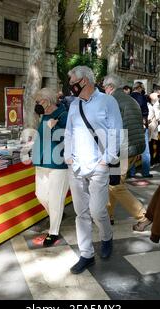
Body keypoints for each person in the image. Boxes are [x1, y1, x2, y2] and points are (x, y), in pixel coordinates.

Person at [64, 66, 123, 274]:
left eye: (73, 83)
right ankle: (86, 254)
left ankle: (107, 237)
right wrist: (68, 156)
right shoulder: (74, 104)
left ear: (85, 82)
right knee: (81, 213)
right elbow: (69, 132)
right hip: (76, 167)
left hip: (98, 165)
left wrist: (106, 161)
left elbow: (116, 133)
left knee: (98, 211)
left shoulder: (108, 101)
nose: (70, 87)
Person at [103, 74, 152, 232]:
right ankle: (108, 215)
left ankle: (143, 216)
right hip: (134, 146)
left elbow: (110, 128)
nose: (104, 91)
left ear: (110, 87)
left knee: (114, 185)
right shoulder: (130, 99)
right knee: (114, 182)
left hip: (122, 148)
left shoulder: (112, 101)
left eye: (104, 88)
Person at [31, 88, 70, 247]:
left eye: (38, 101)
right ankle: (56, 214)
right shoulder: (45, 115)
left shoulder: (64, 115)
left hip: (58, 164)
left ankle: (53, 231)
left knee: (55, 199)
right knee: (40, 195)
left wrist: (54, 128)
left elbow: (71, 137)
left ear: (46, 101)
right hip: (41, 161)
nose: (36, 105)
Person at [129, 82, 152, 178]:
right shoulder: (142, 97)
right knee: (145, 150)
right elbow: (145, 112)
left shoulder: (128, 97)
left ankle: (131, 172)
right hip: (141, 126)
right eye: (142, 88)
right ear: (139, 88)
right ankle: (145, 172)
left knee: (132, 150)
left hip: (130, 126)